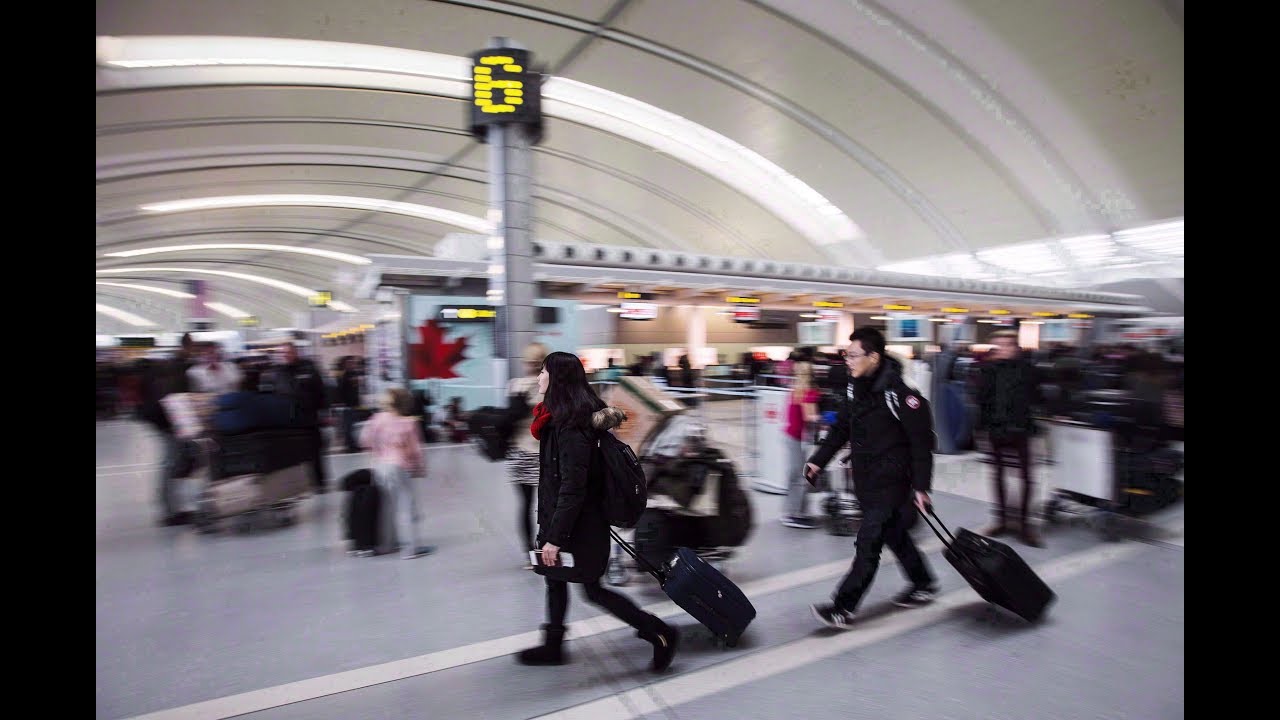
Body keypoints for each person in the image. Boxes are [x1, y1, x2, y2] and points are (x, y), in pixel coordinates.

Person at [518, 351, 679, 671]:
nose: (538, 377)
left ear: (558, 379)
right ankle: (553, 645)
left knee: (593, 589)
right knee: (554, 579)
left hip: (580, 527)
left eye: (543, 371)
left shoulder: (571, 427)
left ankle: (659, 632)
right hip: (567, 522)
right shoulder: (555, 419)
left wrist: (554, 538)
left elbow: (573, 488)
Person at [804, 327, 938, 629]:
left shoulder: (902, 395)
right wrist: (818, 462)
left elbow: (922, 444)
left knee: (868, 544)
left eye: (852, 355)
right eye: (845, 354)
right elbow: (841, 429)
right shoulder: (856, 389)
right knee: (895, 536)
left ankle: (843, 607)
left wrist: (921, 488)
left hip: (892, 483)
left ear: (873, 357)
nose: (847, 360)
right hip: (866, 479)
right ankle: (924, 582)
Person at [975, 330, 1044, 547]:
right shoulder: (986, 369)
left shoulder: (1028, 370)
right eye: (999, 345)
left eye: (1007, 345)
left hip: (1021, 429)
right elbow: (980, 398)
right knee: (998, 476)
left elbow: (1037, 396)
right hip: (996, 429)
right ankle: (1002, 520)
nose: (1003, 349)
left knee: (1026, 478)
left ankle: (1024, 524)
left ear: (1015, 347)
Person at [359, 387, 434, 559]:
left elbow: (365, 440)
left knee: (386, 507)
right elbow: (416, 451)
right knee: (406, 507)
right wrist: (420, 469)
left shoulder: (377, 419)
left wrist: (377, 451)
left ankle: (386, 545)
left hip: (380, 466)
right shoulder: (409, 422)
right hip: (401, 467)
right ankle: (411, 548)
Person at [267, 342, 330, 492]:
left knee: (315, 451)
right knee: (292, 454)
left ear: (296, 352)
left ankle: (320, 483)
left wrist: (325, 412)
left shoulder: (309, 368)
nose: (286, 355)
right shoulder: (278, 372)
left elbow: (321, 391)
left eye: (288, 352)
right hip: (289, 420)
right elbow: (272, 394)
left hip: (310, 417)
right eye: (283, 353)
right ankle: (297, 486)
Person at [507, 342, 548, 566]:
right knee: (547, 505)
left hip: (520, 452)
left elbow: (509, 421)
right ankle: (548, 549)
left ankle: (529, 555)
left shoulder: (515, 386)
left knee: (524, 505)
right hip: (544, 454)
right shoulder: (551, 387)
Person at [782, 352, 821, 529]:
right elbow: (810, 417)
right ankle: (795, 514)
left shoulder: (795, 389)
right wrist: (827, 418)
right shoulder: (808, 392)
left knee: (795, 474)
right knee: (801, 475)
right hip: (798, 438)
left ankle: (792, 511)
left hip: (791, 436)